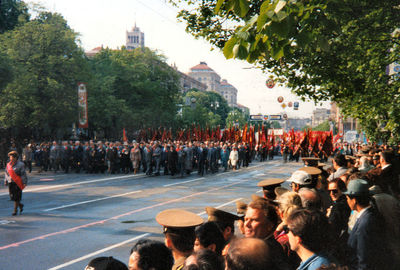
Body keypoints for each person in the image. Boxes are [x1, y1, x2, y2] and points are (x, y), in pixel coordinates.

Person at [344, 179, 394, 270]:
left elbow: (364, 260)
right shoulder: (370, 215)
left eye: (347, 198)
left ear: (354, 200)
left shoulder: (365, 222)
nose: (347, 201)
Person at [244, 199, 291, 270]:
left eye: (254, 220)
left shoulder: (267, 253)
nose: (247, 224)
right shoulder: (253, 247)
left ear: (270, 225)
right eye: (246, 219)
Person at [4, 151, 27, 216]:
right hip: (11, 182)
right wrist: (5, 180)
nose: (10, 158)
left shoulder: (21, 164)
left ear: (15, 157)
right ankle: (20, 205)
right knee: (12, 197)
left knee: (16, 197)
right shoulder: (8, 164)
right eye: (10, 157)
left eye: (11, 157)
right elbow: (6, 173)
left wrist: (24, 182)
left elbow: (23, 174)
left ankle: (15, 210)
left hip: (17, 182)